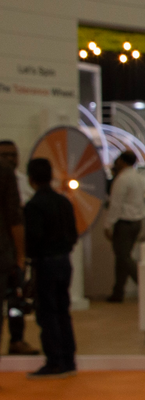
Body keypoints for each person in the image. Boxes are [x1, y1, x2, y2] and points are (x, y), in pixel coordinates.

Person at [22, 156, 78, 379]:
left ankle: (54, 361)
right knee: (63, 310)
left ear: (31, 179)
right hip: (64, 261)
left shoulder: (34, 206)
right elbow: (73, 234)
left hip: (45, 263)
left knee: (47, 313)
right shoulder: (63, 202)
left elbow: (33, 239)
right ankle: (68, 359)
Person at [0, 139, 32, 355]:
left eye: (13, 154)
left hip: (16, 250)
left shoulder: (25, 181)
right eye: (5, 154)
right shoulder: (6, 176)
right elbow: (14, 218)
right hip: (8, 252)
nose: (10, 159)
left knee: (17, 301)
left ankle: (17, 338)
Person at [104, 149, 145, 302]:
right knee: (122, 258)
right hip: (136, 222)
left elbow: (115, 204)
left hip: (124, 223)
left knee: (123, 257)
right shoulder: (138, 178)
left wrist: (108, 224)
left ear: (121, 161)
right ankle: (118, 291)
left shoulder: (122, 179)